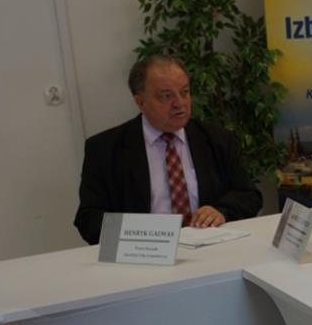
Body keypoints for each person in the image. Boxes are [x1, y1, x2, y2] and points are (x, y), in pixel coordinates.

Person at [74, 55, 261, 245]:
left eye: (185, 92)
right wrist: (141, 231)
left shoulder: (218, 139)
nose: (180, 103)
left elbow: (249, 195)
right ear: (140, 102)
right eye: (166, 96)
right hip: (144, 252)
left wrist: (221, 211)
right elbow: (88, 219)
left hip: (209, 246)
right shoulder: (105, 149)